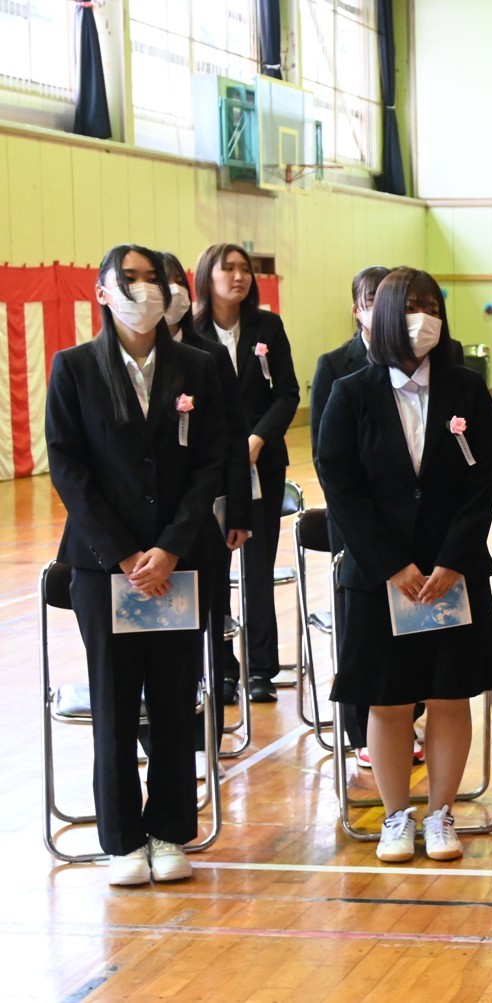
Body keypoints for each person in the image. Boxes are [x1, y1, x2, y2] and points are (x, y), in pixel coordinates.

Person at [316, 267, 492, 863]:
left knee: (451, 695)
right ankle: (396, 816)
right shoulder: (351, 392)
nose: (422, 317)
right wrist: (390, 564)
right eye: (409, 306)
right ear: (381, 316)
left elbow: (483, 480)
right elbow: (340, 486)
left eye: (431, 306)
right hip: (382, 579)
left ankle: (441, 813)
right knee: (389, 699)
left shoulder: (467, 388)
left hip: (453, 575)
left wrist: (453, 559)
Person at [46, 244, 227, 885]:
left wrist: (171, 546)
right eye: (128, 279)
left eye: (153, 279)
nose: (144, 290)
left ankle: (170, 829)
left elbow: (211, 462)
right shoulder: (73, 368)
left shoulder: (199, 367)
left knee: (176, 700)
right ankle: (122, 839)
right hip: (106, 567)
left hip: (180, 562)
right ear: (102, 292)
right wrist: (124, 554)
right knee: (116, 704)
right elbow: (68, 468)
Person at [310, 265, 426, 765]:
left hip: (415, 529)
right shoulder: (337, 367)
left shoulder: (433, 366)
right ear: (358, 309)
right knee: (366, 635)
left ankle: (410, 719)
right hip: (361, 529)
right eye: (371, 299)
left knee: (417, 627)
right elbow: (330, 459)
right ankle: (363, 730)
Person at [192, 243, 298, 703]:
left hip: (262, 464)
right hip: (211, 472)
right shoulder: (191, 330)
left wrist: (256, 441)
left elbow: (287, 393)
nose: (239, 276)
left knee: (258, 570)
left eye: (245, 269)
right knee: (214, 573)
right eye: (228, 268)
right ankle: (222, 669)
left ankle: (261, 669)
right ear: (207, 275)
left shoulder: (267, 327)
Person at [159, 251, 251, 768]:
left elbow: (232, 440)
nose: (168, 291)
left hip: (202, 522)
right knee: (153, 642)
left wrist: (238, 512)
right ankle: (156, 739)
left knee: (207, 630)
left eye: (174, 280)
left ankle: (204, 740)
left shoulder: (209, 356)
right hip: (143, 533)